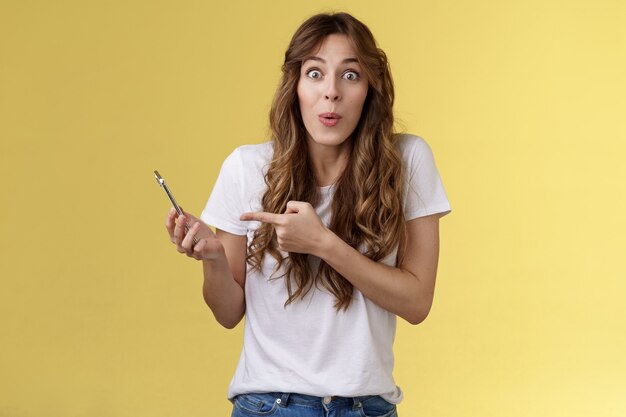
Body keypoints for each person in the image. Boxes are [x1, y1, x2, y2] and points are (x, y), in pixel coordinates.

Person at [165, 12, 450, 417]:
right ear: (294, 86)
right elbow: (227, 313)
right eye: (315, 74)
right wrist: (212, 259)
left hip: (365, 407)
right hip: (267, 404)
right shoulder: (247, 168)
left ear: (370, 88)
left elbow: (417, 302)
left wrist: (324, 244)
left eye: (350, 75)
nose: (330, 93)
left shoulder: (406, 161)